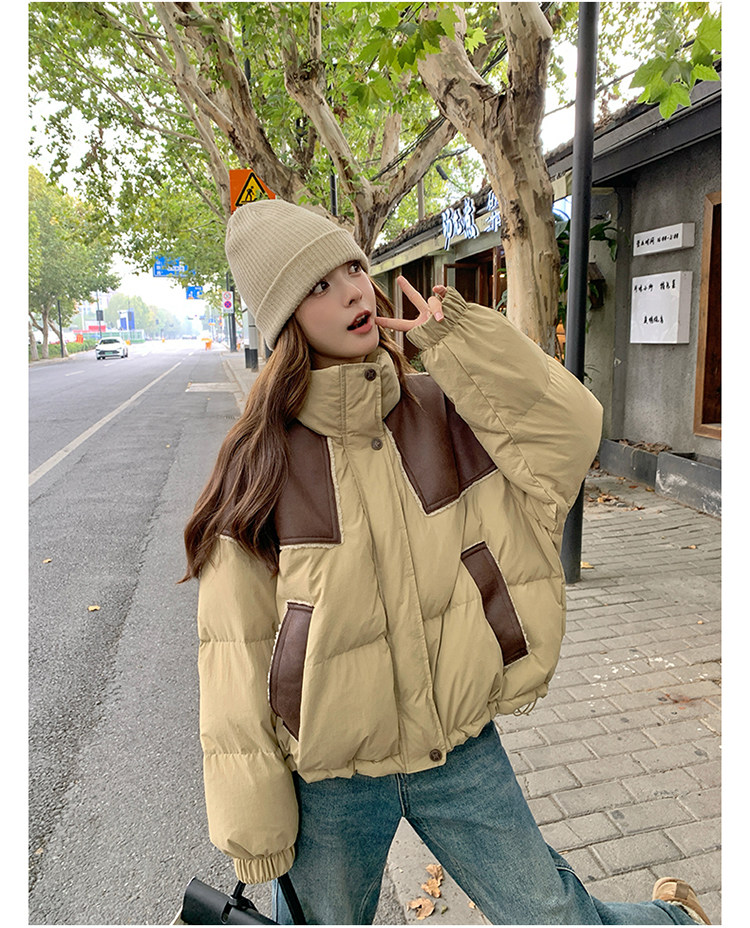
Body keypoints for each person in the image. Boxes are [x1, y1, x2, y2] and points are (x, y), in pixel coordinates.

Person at [182, 199, 711, 926]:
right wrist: (256, 828)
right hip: (331, 780)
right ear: (284, 321)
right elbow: (233, 653)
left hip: (457, 749)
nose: (353, 292)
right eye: (319, 285)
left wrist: (459, 343)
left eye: (353, 269)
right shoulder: (259, 463)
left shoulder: (441, 408)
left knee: (555, 918)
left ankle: (677, 919)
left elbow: (570, 432)